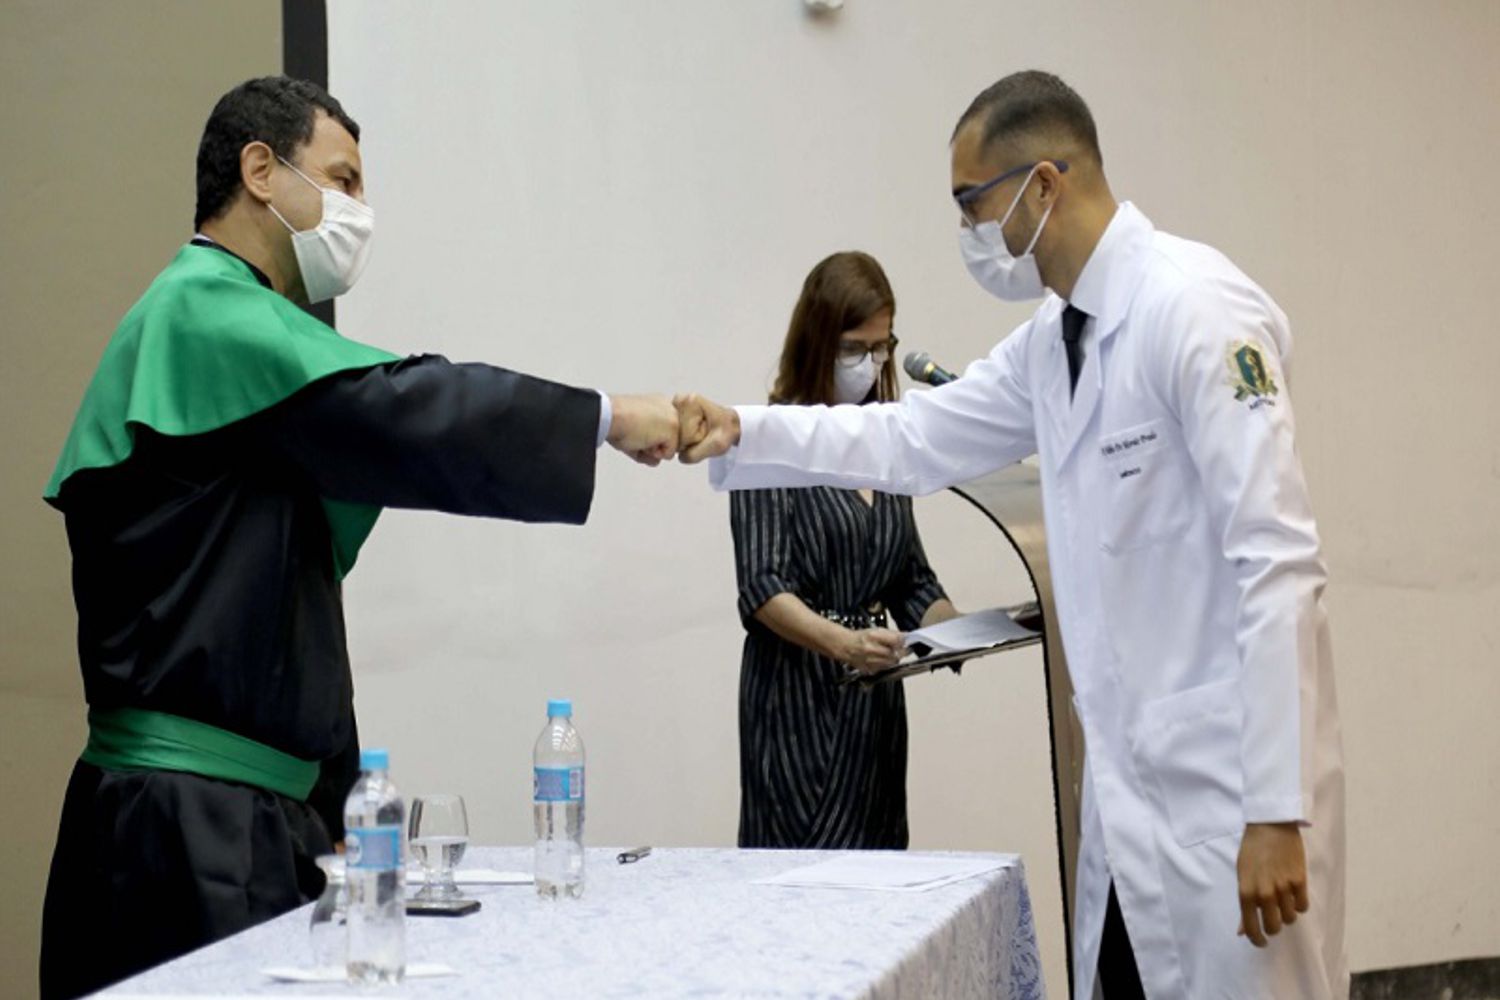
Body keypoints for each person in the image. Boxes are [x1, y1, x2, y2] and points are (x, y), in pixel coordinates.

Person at [677, 70, 1346, 1000]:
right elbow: (908, 441)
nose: (966, 233)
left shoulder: (1194, 309)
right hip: (1125, 807)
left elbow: (1278, 565)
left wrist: (1277, 808)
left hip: (1228, 797)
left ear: (1043, 184)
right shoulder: (1052, 342)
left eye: (970, 203)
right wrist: (746, 429)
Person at [38, 76, 679, 999]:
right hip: (184, 837)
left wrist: (336, 799)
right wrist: (605, 417)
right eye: (342, 179)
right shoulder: (201, 311)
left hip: (246, 819)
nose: (359, 213)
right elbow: (408, 410)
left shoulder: (244, 348)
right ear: (261, 170)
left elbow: (282, 609)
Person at [730, 251, 958, 850]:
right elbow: (761, 588)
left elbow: (912, 581)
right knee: (804, 883)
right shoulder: (766, 439)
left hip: (875, 709)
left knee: (881, 880)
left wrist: (963, 633)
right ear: (818, 342)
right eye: (857, 348)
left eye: (883, 347)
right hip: (797, 705)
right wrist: (843, 643)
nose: (874, 363)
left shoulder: (883, 439)